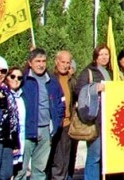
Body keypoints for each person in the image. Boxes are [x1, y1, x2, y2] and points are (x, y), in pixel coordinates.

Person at [18, 48, 65, 180]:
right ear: (30, 62)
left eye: (43, 61)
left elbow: (61, 101)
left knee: (39, 170)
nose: (41, 64)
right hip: (27, 131)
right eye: (37, 61)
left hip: (45, 131)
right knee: (20, 170)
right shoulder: (23, 79)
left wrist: (56, 121)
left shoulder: (52, 80)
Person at [79, 45, 112, 180]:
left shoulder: (109, 72)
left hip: (108, 119)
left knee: (104, 155)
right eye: (101, 55)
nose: (104, 57)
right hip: (95, 120)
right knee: (95, 155)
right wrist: (94, 88)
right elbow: (79, 90)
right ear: (96, 57)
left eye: (106, 55)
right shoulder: (88, 72)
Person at [48, 51, 77, 180]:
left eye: (67, 62)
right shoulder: (50, 78)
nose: (65, 65)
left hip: (67, 124)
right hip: (55, 123)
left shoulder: (70, 79)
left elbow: (77, 92)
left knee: (66, 158)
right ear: (56, 62)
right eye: (62, 62)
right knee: (57, 160)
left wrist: (73, 76)